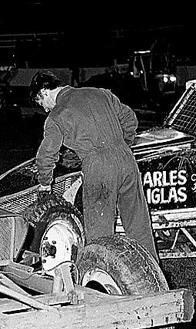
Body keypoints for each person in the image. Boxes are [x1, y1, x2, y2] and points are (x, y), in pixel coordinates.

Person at [30, 70, 158, 259]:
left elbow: (47, 154)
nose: (46, 109)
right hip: (126, 160)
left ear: (44, 92)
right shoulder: (100, 93)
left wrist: (45, 183)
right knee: (138, 223)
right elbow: (130, 119)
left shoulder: (56, 116)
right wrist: (123, 144)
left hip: (98, 167)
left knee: (100, 230)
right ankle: (151, 274)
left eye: (42, 104)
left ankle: (101, 279)